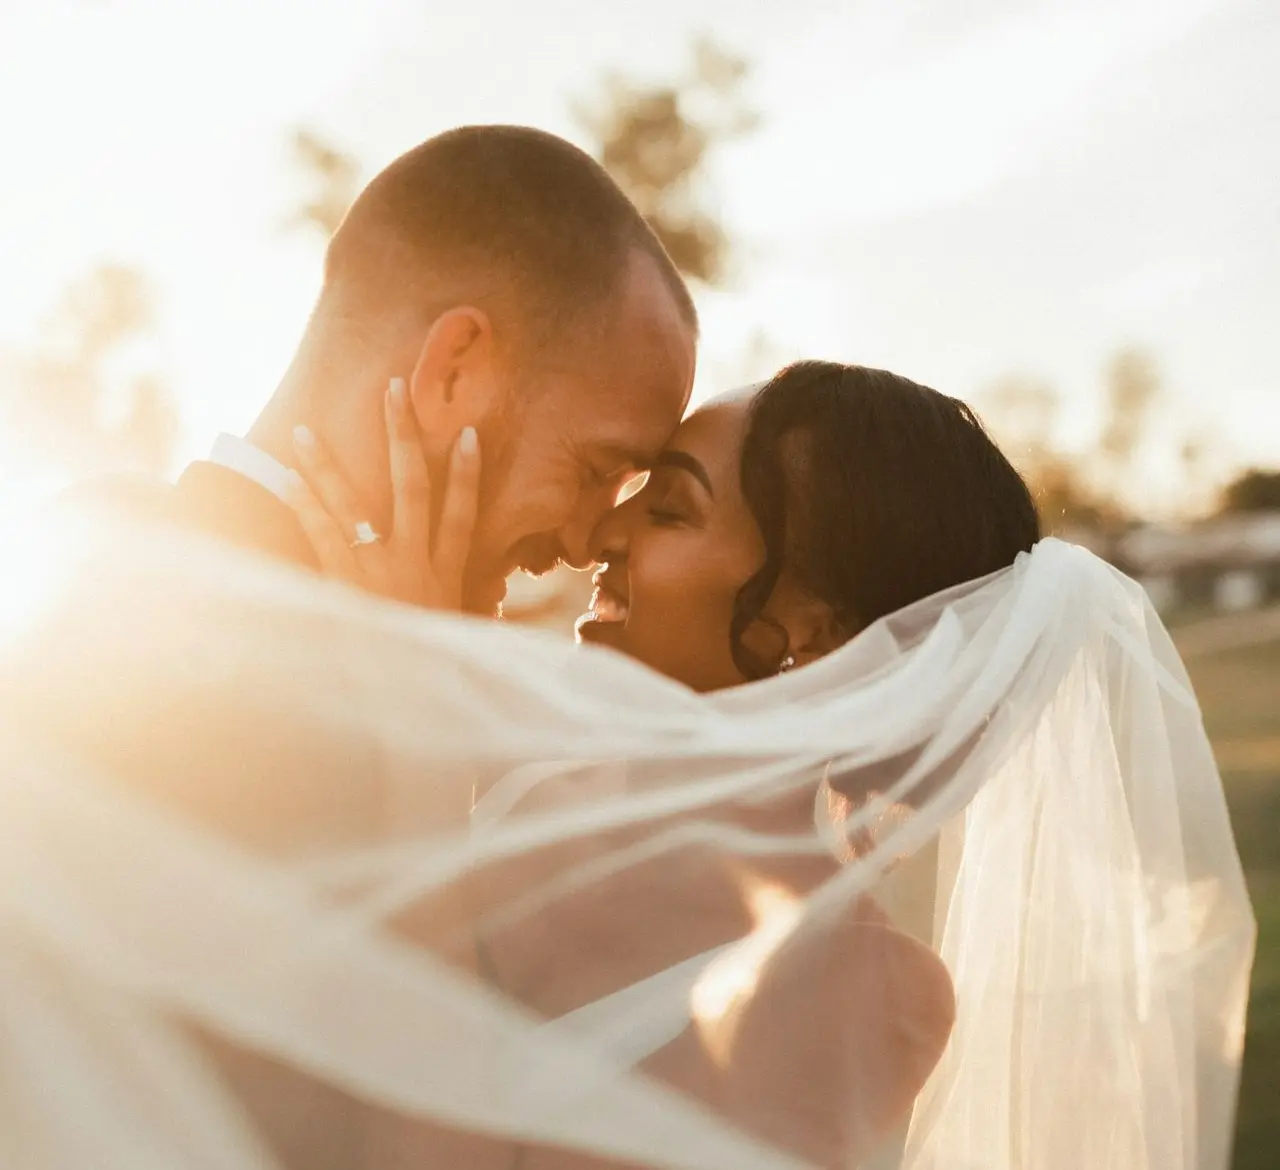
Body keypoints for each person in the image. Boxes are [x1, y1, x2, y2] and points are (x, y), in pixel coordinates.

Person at [72, 124, 697, 617]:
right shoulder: (125, 609)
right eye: (596, 469)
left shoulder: (99, 545)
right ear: (453, 371)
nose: (587, 543)